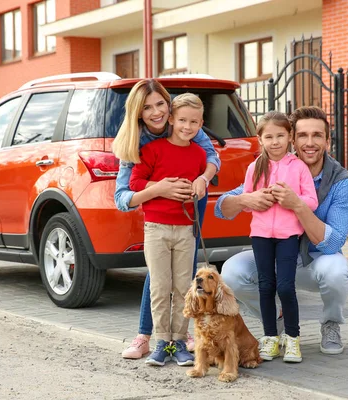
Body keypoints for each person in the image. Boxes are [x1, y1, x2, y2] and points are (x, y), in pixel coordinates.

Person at [216, 106, 348, 356]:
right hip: (272, 248)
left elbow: (333, 244)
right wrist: (245, 200)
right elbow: (222, 207)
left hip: (314, 259)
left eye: (317, 135)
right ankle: (276, 323)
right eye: (303, 135)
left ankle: (331, 324)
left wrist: (298, 206)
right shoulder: (269, 167)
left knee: (336, 272)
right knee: (232, 272)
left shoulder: (342, 183)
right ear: (293, 138)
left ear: (328, 140)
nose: (310, 143)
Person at [112, 79, 220, 360]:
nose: (156, 112)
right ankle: (147, 336)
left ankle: (180, 337)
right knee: (159, 277)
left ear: (169, 107)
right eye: (147, 107)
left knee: (182, 277)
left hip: (188, 211)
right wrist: (159, 188)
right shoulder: (138, 142)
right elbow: (123, 198)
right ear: (138, 113)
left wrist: (202, 179)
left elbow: (211, 157)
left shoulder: (187, 126)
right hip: (158, 216)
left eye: (161, 103)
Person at [128, 93, 207, 366]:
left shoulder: (198, 154)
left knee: (184, 286)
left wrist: (199, 185)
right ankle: (161, 342)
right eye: (182, 120)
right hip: (156, 228)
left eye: (194, 122)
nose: (187, 126)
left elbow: (205, 173)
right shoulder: (152, 150)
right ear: (171, 119)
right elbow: (135, 183)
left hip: (186, 229)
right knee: (160, 286)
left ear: (201, 124)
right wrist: (161, 186)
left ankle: (179, 342)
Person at [243, 111, 318, 363]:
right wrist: (258, 199)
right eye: (269, 137)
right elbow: (245, 201)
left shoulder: (298, 167)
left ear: (290, 137)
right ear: (260, 139)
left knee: (285, 287)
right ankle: (270, 338)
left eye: (280, 136)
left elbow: (312, 201)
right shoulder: (254, 167)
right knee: (266, 286)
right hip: (261, 235)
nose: (275, 141)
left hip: (288, 236)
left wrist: (292, 200)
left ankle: (293, 339)